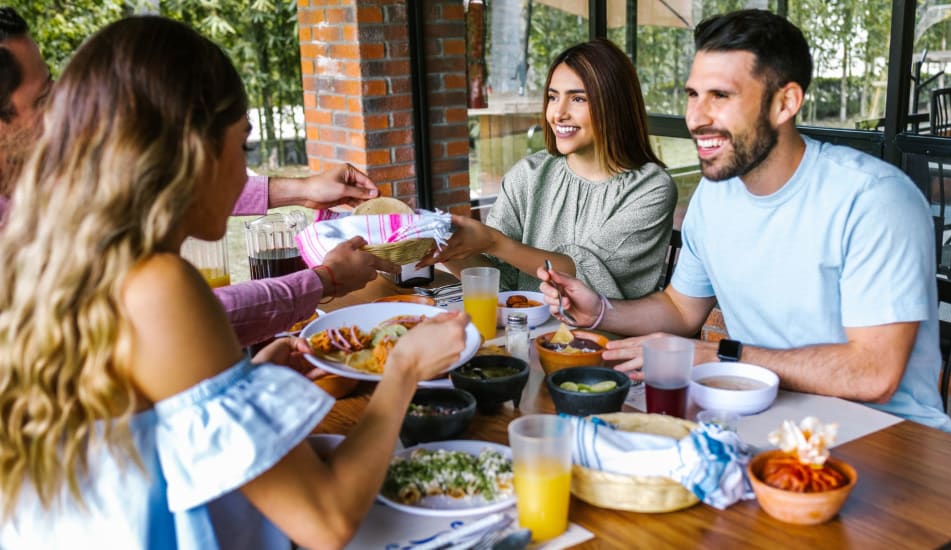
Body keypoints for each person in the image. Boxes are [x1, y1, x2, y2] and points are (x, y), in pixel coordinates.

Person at [0, 16, 470, 548]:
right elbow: (326, 520)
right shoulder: (156, 285)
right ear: (193, 150)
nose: (245, 175)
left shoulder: (72, 263)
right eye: (244, 146)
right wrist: (405, 366)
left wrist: (243, 392)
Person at [539, 9, 951, 433]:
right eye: (692, 95)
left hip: (891, 437)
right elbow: (681, 310)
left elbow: (873, 374)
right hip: (765, 419)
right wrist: (600, 311)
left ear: (784, 103)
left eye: (720, 96)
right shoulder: (715, 195)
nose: (697, 118)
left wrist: (724, 357)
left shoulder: (874, 199)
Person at [0, 7, 396, 347]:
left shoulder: (45, 192)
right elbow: (186, 321)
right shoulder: (160, 283)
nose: (60, 117)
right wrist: (324, 281)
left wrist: (303, 191)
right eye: (42, 100)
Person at [419, 38, 676, 300]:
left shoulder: (650, 188)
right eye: (553, 97)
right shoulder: (528, 175)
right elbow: (501, 280)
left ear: (614, 105)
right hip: (531, 330)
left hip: (608, 336)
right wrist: (442, 248)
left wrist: (494, 241)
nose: (558, 113)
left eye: (578, 98)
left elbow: (589, 280)